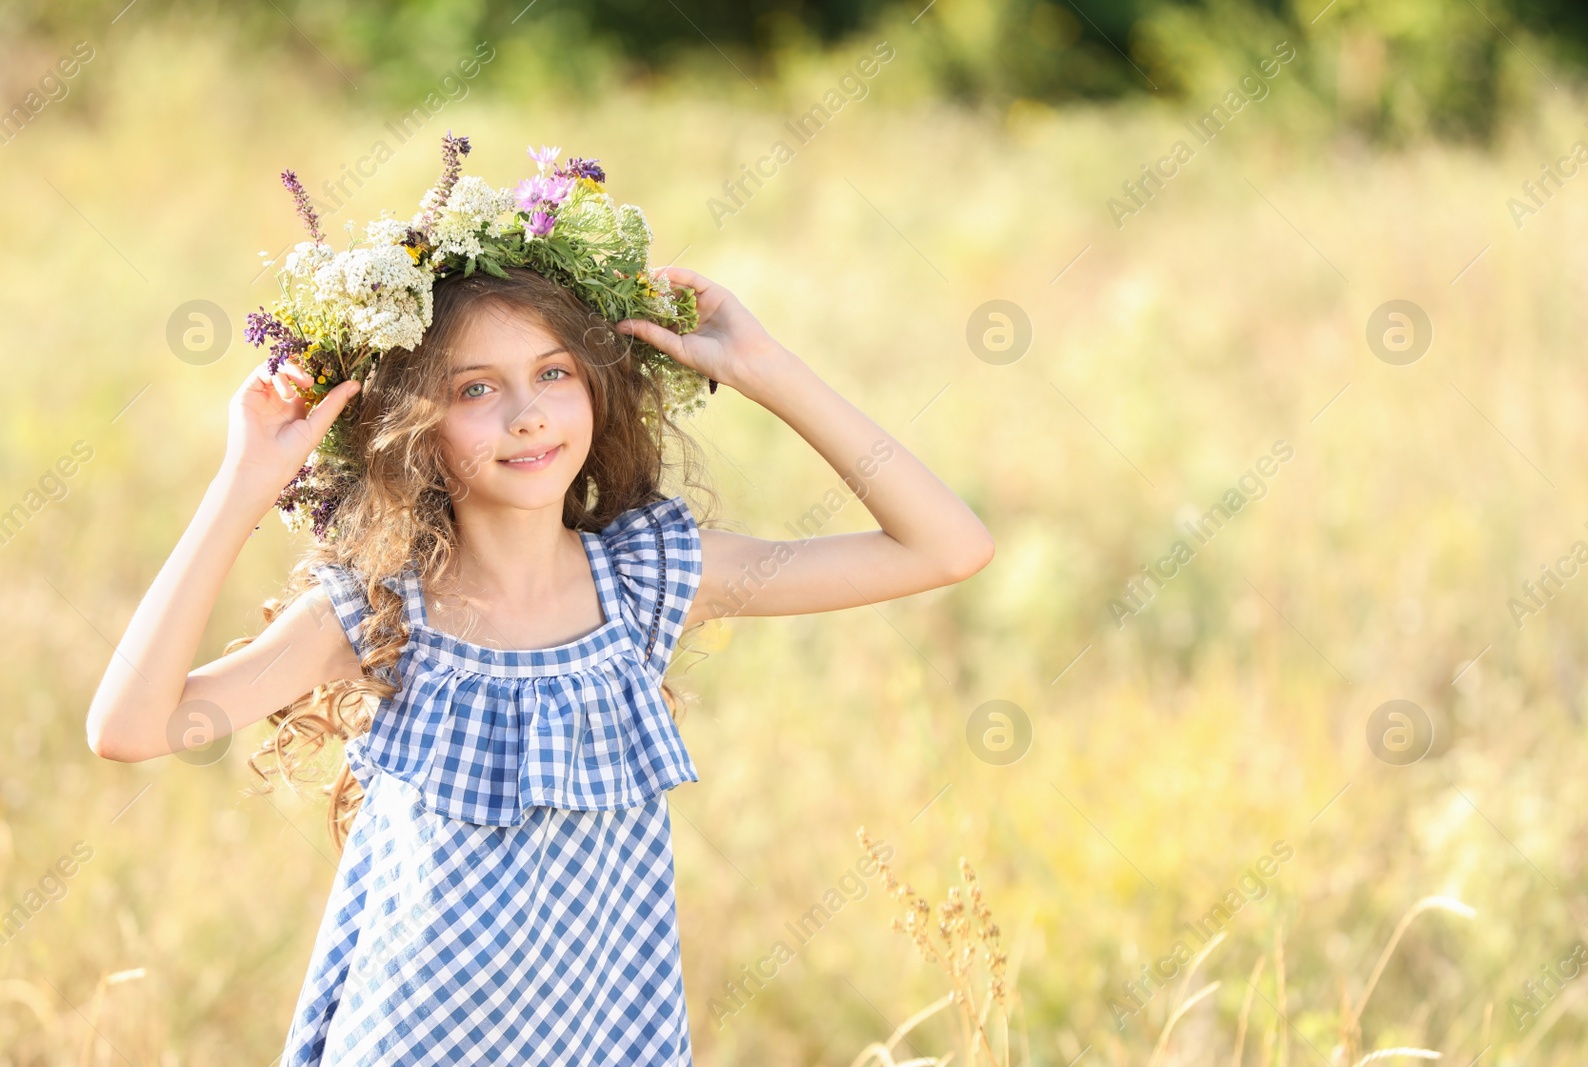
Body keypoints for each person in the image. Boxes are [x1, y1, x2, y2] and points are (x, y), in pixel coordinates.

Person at [85, 155, 992, 1066]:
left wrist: (764, 367)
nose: (527, 414)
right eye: (475, 388)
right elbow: (129, 725)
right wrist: (243, 484)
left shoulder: (645, 583)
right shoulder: (380, 615)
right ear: (413, 426)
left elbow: (946, 547)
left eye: (554, 372)